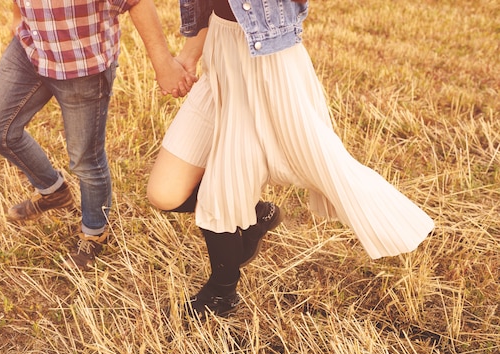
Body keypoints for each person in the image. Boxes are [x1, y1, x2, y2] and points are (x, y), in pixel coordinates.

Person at [147, 0, 435, 318]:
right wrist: (189, 54)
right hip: (221, 56)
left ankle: (222, 291)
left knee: (293, 168)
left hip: (268, 62)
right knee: (165, 193)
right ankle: (256, 216)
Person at [0, 0, 196, 270]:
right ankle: (52, 191)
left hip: (82, 64)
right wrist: (17, 14)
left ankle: (94, 231)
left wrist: (163, 63)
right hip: (30, 48)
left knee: (85, 159)